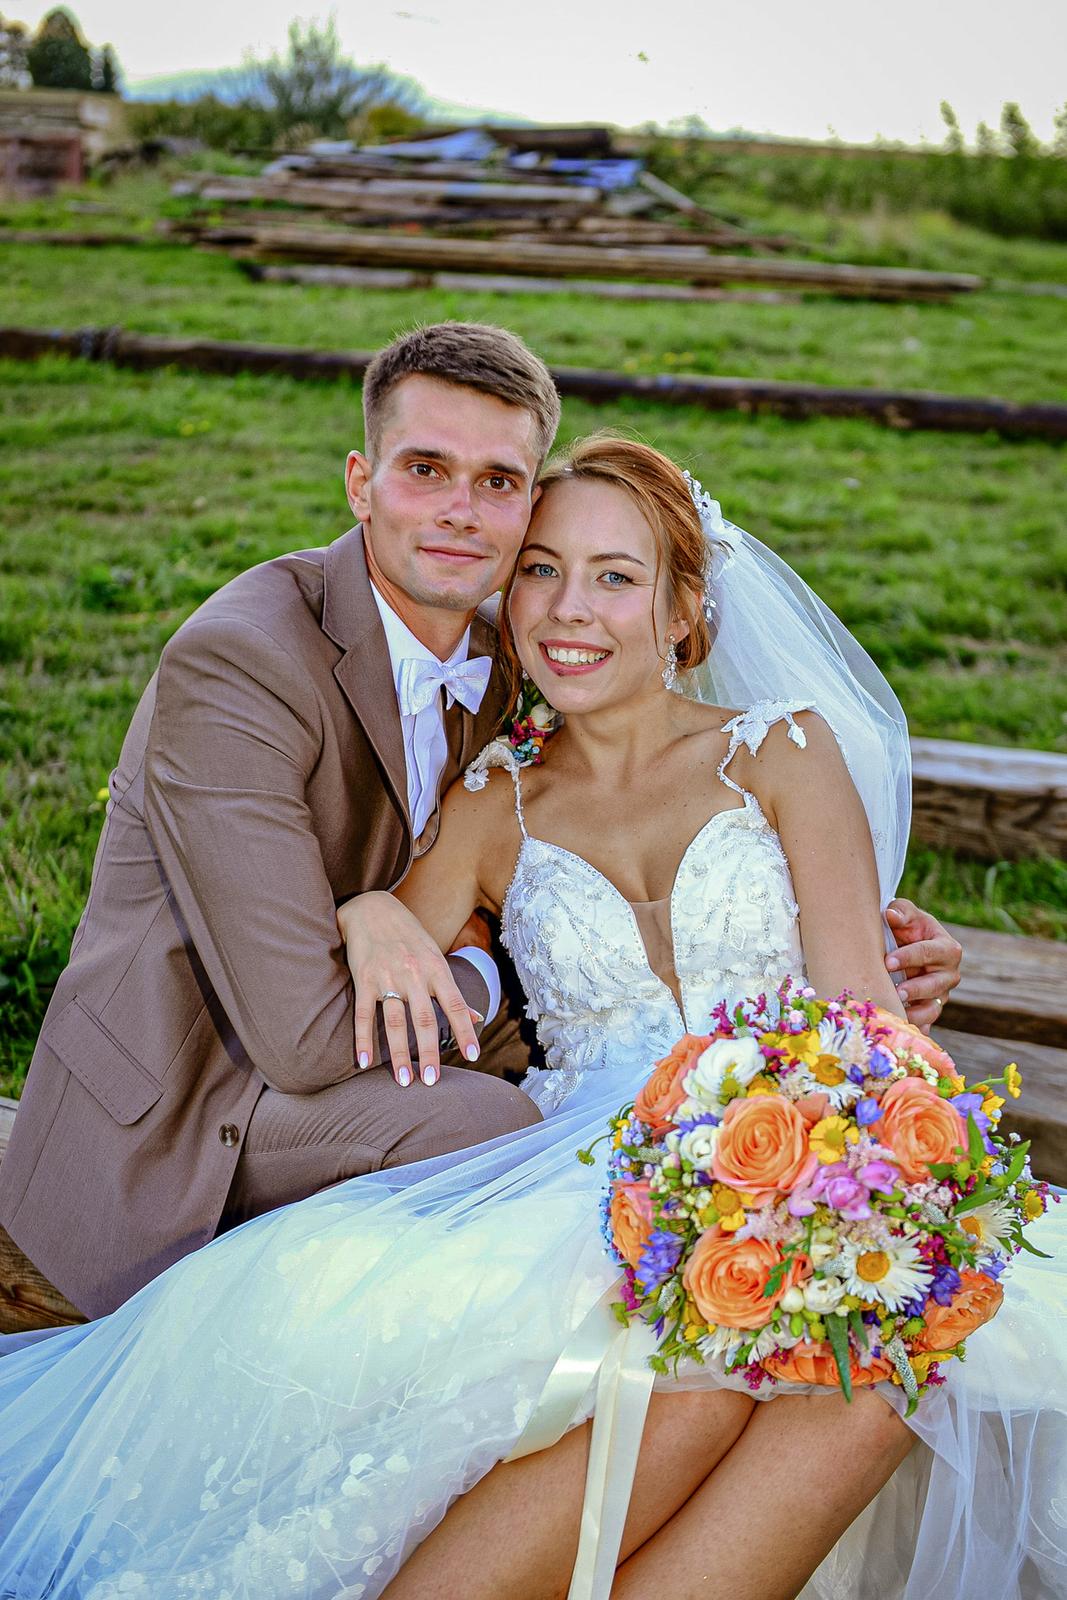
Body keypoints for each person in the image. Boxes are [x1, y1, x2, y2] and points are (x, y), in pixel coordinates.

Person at [0, 438, 1061, 1600]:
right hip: (580, 1174)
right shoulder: (490, 801)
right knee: (687, 1383)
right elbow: (373, 989)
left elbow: (861, 1014)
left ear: (682, 610)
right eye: (541, 571)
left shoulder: (780, 751)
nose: (568, 609)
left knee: (886, 1377)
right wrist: (364, 910)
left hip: (799, 1141)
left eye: (614, 577)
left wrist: (845, 1163)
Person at [0, 324, 959, 1319]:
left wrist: (848, 946)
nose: (462, 512)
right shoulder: (243, 665)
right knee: (494, 1145)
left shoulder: (528, 660)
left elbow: (814, 965)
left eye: (497, 482)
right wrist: (410, 933)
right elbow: (306, 1034)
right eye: (426, 470)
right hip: (203, 1089)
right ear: (360, 483)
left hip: (702, 1109)